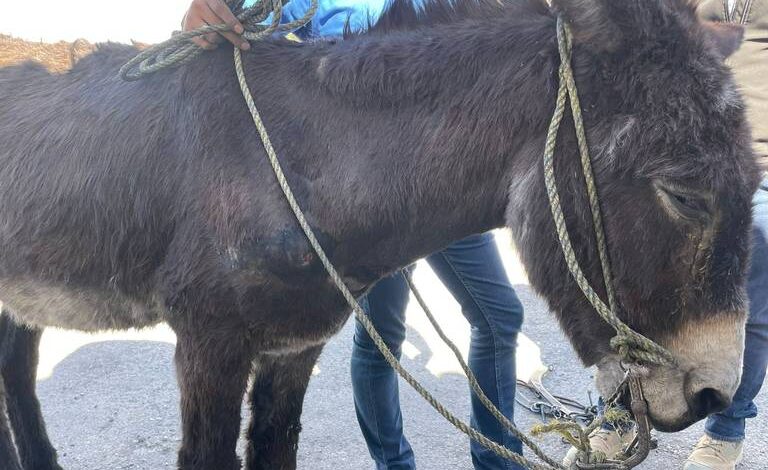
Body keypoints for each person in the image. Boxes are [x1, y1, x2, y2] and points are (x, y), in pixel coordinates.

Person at [181, 1, 527, 469]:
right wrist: (208, 12)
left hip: (448, 176)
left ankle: (498, 461)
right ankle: (394, 464)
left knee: (498, 316)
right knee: (383, 335)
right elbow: (246, 18)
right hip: (366, 192)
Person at [563, 1, 768, 468]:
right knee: (627, 276)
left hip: (755, 165)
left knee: (751, 287)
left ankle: (725, 432)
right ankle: (617, 412)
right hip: (679, 152)